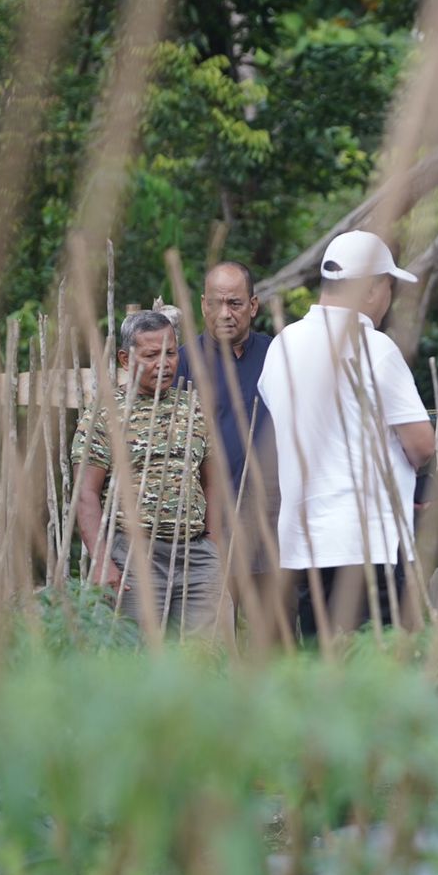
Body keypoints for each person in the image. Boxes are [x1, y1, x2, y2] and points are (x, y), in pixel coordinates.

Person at [256, 230, 435, 638]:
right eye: (388, 286)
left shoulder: (282, 346)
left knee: (324, 662)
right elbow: (422, 444)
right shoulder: (374, 347)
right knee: (376, 663)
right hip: (367, 538)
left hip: (305, 540)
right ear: (372, 288)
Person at [72, 310, 222, 635]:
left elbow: (212, 481)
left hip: (197, 556)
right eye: (152, 355)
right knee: (137, 661)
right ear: (126, 359)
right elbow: (85, 493)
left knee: (204, 663)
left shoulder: (195, 408)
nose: (164, 363)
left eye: (171, 353)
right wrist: (101, 560)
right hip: (134, 557)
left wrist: (213, 543)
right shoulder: (104, 414)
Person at [173, 261, 281, 637]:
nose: (225, 313)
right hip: (208, 524)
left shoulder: (277, 356)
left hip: (270, 521)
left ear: (253, 306)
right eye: (217, 303)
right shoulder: (183, 363)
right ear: (203, 305)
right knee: (213, 640)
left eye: (235, 303)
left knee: (277, 637)